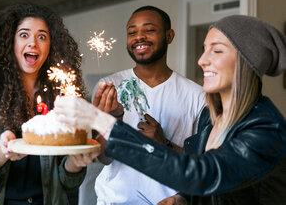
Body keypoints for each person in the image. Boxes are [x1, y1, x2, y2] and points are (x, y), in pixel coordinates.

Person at [55, 15, 286, 205]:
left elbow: (204, 174)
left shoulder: (266, 129)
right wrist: (182, 199)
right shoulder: (212, 119)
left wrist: (103, 121)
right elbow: (207, 179)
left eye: (216, 51)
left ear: (246, 61)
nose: (201, 60)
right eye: (204, 49)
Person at [0, 3, 97, 205]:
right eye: (24, 35)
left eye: (42, 36)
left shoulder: (63, 99)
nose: (33, 43)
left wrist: (75, 163)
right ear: (9, 43)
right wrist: (1, 153)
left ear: (51, 46)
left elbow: (68, 183)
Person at [84, 6, 205, 205]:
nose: (139, 37)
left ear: (169, 35)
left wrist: (164, 145)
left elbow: (202, 165)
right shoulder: (108, 88)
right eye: (132, 32)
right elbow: (103, 158)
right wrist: (114, 122)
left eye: (149, 30)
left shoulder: (196, 96)